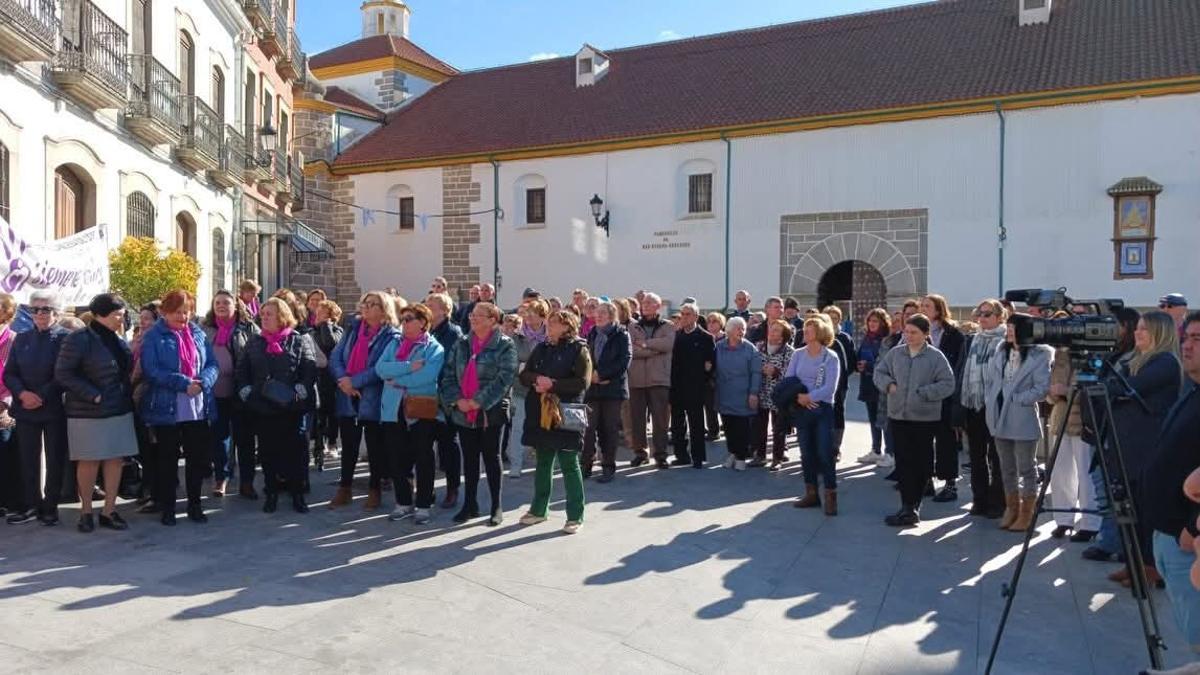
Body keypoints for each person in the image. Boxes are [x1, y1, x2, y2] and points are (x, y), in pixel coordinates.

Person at [1106, 310, 1182, 589]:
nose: (1138, 333)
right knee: (1128, 509)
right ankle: (1133, 562)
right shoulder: (1136, 360)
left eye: (1145, 330)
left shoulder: (1166, 363)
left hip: (1147, 450)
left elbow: (1125, 388)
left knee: (1145, 511)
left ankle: (1150, 566)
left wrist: (1115, 387)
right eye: (1137, 328)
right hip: (1128, 448)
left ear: (1160, 334)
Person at [55, 293, 138, 532]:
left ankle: (109, 510)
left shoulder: (117, 339)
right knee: (89, 461)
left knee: (115, 459)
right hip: (88, 411)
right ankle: (86, 511)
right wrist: (93, 394)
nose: (122, 320)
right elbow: (64, 373)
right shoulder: (78, 339)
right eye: (118, 315)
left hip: (119, 407)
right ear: (101, 315)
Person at [1142, 311, 1200, 650]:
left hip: (1188, 543)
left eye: (1198, 339)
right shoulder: (1191, 390)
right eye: (1186, 338)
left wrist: (1192, 529)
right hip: (1167, 535)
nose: (1188, 346)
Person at [140, 290, 219, 526]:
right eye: (177, 312)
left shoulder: (197, 333)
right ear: (164, 312)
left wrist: (203, 381)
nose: (183, 317)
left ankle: (195, 503)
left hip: (197, 406)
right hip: (168, 407)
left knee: (197, 459)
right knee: (167, 460)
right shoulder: (155, 336)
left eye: (187, 312)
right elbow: (151, 370)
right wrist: (184, 383)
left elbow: (212, 364)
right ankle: (168, 507)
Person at [235, 298, 317, 514]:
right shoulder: (255, 342)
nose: (264, 318)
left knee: (296, 454)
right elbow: (242, 371)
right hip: (264, 408)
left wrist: (301, 389)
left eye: (269, 314)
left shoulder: (298, 340)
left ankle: (297, 494)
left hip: (292, 407)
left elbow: (309, 370)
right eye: (262, 314)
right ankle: (270, 493)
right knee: (268, 453)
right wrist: (246, 391)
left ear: (282, 316)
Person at [440, 302, 517, 526]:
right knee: (470, 459)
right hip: (463, 411)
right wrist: (458, 400)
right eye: (472, 315)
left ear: (492, 320)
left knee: (492, 458)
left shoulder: (505, 344)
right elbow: (448, 374)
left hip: (490, 412)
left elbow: (504, 378)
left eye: (478, 316)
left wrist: (477, 402)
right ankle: (469, 504)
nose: (472, 318)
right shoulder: (462, 343)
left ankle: (496, 506)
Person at [875, 314, 956, 527]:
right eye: (906, 332)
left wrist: (924, 393)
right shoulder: (896, 353)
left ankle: (914, 506)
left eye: (914, 333)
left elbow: (948, 383)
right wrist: (889, 385)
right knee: (903, 462)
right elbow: (879, 372)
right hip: (899, 417)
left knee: (921, 463)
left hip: (924, 419)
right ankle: (906, 507)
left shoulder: (935, 357)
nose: (909, 336)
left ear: (925, 334)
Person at [518, 310, 593, 534]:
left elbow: (582, 382)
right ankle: (539, 510)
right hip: (540, 412)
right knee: (543, 462)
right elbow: (525, 374)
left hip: (566, 412)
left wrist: (553, 384)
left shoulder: (579, 349)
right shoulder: (542, 348)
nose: (549, 326)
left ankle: (575, 515)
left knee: (569, 463)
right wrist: (537, 380)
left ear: (568, 326)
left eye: (554, 323)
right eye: (549, 322)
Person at [329, 291, 401, 510]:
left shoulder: (392, 335)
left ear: (384, 309)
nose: (366, 307)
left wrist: (355, 382)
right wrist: (343, 380)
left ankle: (374, 489)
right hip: (347, 393)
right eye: (365, 303)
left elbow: (380, 367)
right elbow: (336, 356)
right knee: (348, 444)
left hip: (372, 395)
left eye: (372, 304)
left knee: (374, 445)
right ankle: (345, 488)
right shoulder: (352, 328)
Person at [1082, 306, 1142, 562]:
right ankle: (1110, 541)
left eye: (1114, 325)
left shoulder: (1133, 358)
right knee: (1101, 486)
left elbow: (1115, 390)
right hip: (1099, 427)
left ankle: (1117, 544)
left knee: (1115, 489)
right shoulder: (1109, 353)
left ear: (1126, 327)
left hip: (1116, 431)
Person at [376, 303, 445, 525]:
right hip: (393, 409)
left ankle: (423, 504)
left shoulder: (434, 347)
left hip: (420, 408)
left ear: (423, 322)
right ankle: (403, 502)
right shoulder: (394, 343)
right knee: (396, 457)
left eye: (409, 319)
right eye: (402, 318)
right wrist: (408, 366)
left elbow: (427, 376)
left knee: (423, 457)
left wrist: (397, 380)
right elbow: (380, 369)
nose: (403, 323)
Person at [984, 313, 1053, 532]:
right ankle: (1011, 508)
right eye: (1009, 326)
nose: (1010, 331)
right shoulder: (1001, 351)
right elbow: (993, 380)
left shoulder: (1040, 354)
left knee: (1026, 467)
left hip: (1022, 417)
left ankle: (1027, 513)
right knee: (1006, 467)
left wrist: (1019, 399)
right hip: (998, 414)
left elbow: (1042, 387)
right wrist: (991, 398)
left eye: (1015, 327)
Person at [5, 291, 69, 525]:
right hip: (25, 408)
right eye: (35, 309)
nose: (40, 314)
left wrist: (40, 395)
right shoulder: (21, 339)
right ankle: (31, 504)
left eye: (46, 309)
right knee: (28, 458)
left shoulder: (66, 338)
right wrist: (22, 394)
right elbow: (10, 373)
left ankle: (50, 506)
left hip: (53, 408)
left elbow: (63, 374)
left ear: (56, 312)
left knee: (54, 458)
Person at [201, 290, 258, 499]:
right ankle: (221, 478)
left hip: (241, 391)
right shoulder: (205, 328)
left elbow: (257, 355)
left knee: (245, 439)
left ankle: (246, 482)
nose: (221, 305)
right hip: (215, 392)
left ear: (236, 305)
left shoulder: (249, 328)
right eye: (217, 302)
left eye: (226, 302)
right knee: (219, 438)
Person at [956, 299, 1009, 519]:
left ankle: (998, 502)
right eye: (980, 314)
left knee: (998, 457)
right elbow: (961, 372)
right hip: (974, 405)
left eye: (987, 314)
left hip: (996, 404)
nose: (982, 318)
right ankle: (979, 500)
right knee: (976, 455)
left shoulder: (1007, 341)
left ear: (999, 317)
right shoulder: (971, 340)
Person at [1046, 343, 1101, 539]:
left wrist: (1066, 392)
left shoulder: (1095, 352)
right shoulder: (1061, 353)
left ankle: (1090, 523)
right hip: (1061, 419)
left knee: (1087, 475)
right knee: (1060, 474)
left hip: (1084, 421)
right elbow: (1051, 386)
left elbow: (1094, 388)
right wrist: (1052, 393)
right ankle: (1063, 520)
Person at [787, 316, 842, 514]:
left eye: (809, 329)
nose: (805, 332)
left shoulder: (830, 357)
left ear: (820, 332)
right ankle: (811, 494)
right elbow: (789, 380)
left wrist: (809, 397)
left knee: (825, 453)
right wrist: (799, 398)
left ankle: (830, 496)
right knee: (806, 453)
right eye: (805, 328)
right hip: (801, 408)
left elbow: (830, 389)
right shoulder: (798, 354)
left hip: (822, 410)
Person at [920, 294, 965, 503]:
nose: (923, 308)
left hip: (945, 395)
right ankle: (926, 479)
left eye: (927, 306)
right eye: (922, 305)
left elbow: (958, 364)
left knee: (946, 442)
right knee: (923, 441)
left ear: (939, 309)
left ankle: (950, 484)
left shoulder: (953, 334)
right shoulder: (917, 330)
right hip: (923, 395)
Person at [583, 301, 632, 482]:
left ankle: (608, 466)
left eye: (603, 312)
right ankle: (586, 465)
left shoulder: (621, 334)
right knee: (588, 428)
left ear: (612, 315)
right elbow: (586, 358)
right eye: (597, 312)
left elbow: (624, 361)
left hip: (612, 389)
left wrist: (602, 375)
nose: (599, 315)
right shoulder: (592, 333)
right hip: (592, 389)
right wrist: (591, 375)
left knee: (608, 429)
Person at [628, 292, 676, 469]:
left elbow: (668, 345)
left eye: (649, 302)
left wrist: (646, 344)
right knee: (637, 419)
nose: (645, 305)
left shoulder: (668, 326)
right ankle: (640, 452)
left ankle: (661, 454)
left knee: (660, 420)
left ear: (658, 306)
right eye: (644, 302)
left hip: (659, 380)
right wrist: (655, 348)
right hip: (637, 380)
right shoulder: (633, 327)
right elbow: (632, 350)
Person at [427, 292, 463, 507]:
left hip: (445, 397)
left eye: (432, 305)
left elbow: (449, 365)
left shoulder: (452, 332)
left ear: (444, 310)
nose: (427, 307)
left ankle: (452, 488)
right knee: (424, 446)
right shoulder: (427, 330)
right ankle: (427, 488)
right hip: (425, 394)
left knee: (447, 445)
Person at [668, 302, 715, 468]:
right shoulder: (676, 336)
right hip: (677, 385)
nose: (684, 317)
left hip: (695, 387)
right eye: (683, 314)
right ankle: (681, 455)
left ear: (696, 316)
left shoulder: (706, 337)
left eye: (688, 314)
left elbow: (710, 364)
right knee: (677, 424)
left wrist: (704, 375)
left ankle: (698, 457)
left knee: (696, 423)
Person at [714, 317, 761, 472]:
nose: (741, 331)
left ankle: (741, 457)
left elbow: (756, 373)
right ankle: (733, 453)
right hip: (724, 393)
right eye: (738, 328)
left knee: (742, 428)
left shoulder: (750, 349)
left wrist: (753, 393)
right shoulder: (719, 347)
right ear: (728, 330)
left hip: (743, 394)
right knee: (728, 427)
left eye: (743, 328)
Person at [752, 318, 794, 471]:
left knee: (779, 428)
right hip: (761, 392)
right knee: (759, 426)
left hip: (779, 396)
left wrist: (776, 372)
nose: (771, 331)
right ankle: (760, 455)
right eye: (771, 328)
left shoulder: (789, 351)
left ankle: (777, 458)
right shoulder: (759, 347)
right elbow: (751, 366)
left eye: (776, 330)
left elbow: (791, 375)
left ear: (783, 336)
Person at [311, 299, 345, 469]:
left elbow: (330, 343)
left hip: (331, 379)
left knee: (332, 412)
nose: (317, 314)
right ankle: (318, 445)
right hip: (316, 378)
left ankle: (332, 442)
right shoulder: (312, 332)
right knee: (318, 414)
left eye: (322, 311)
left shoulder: (338, 331)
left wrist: (326, 325)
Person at [821, 306, 857, 460]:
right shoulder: (818, 337)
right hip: (819, 385)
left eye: (834, 318)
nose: (831, 320)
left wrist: (840, 377)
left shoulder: (844, 338)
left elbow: (850, 362)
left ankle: (835, 448)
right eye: (828, 317)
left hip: (840, 385)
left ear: (839, 320)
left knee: (837, 414)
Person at [855, 308, 890, 465]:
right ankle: (876, 450)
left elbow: (884, 362)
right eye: (870, 321)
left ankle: (889, 452)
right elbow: (860, 354)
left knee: (884, 419)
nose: (871, 324)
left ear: (882, 323)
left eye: (875, 321)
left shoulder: (886, 339)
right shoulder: (867, 338)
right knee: (873, 418)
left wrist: (868, 365)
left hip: (881, 385)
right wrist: (859, 365)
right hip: (868, 383)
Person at [503, 309, 534, 478]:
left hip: (544, 390)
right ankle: (516, 463)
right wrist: (523, 367)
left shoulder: (545, 338)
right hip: (520, 389)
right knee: (517, 427)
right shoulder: (514, 340)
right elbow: (510, 364)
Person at [704, 312, 727, 440]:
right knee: (709, 405)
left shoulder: (726, 338)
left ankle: (727, 427)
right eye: (709, 321)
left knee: (724, 404)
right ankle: (713, 431)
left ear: (721, 323)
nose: (711, 324)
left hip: (723, 376)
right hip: (708, 377)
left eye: (715, 321)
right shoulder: (704, 338)